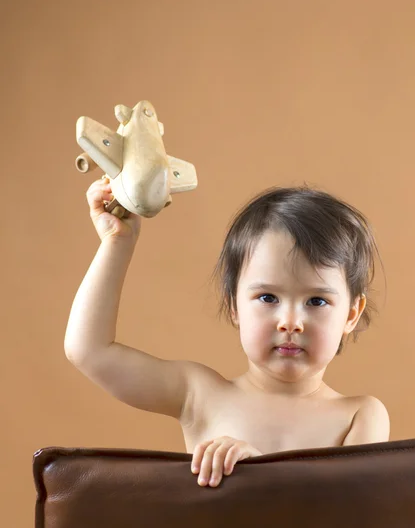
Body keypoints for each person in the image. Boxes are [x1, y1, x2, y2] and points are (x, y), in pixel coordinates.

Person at [64, 177, 390, 489]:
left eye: (316, 300)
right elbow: (89, 350)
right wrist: (117, 242)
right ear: (234, 305)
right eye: (268, 298)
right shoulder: (201, 395)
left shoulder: (360, 416)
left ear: (351, 313)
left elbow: (352, 516)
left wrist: (260, 474)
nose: (290, 322)